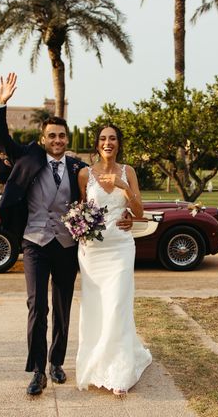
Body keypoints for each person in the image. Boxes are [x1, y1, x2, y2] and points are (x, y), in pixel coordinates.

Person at [0, 73, 131, 396]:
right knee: (37, 307)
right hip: (36, 242)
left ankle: (56, 362)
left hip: (66, 245)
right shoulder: (28, 157)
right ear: (43, 138)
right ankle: (38, 370)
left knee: (63, 306)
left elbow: (98, 198)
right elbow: (1, 136)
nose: (57, 140)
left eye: (62, 136)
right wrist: (1, 104)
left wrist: (123, 218)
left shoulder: (77, 168)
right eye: (52, 135)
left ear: (67, 139)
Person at [75, 124, 152, 396]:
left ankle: (119, 372)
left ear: (119, 143)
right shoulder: (85, 174)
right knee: (96, 307)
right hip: (93, 252)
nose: (108, 142)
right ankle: (96, 364)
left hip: (120, 246)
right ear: (97, 144)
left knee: (117, 304)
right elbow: (79, 209)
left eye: (113, 139)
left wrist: (123, 188)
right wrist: (79, 228)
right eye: (103, 138)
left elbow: (140, 211)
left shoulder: (127, 171)